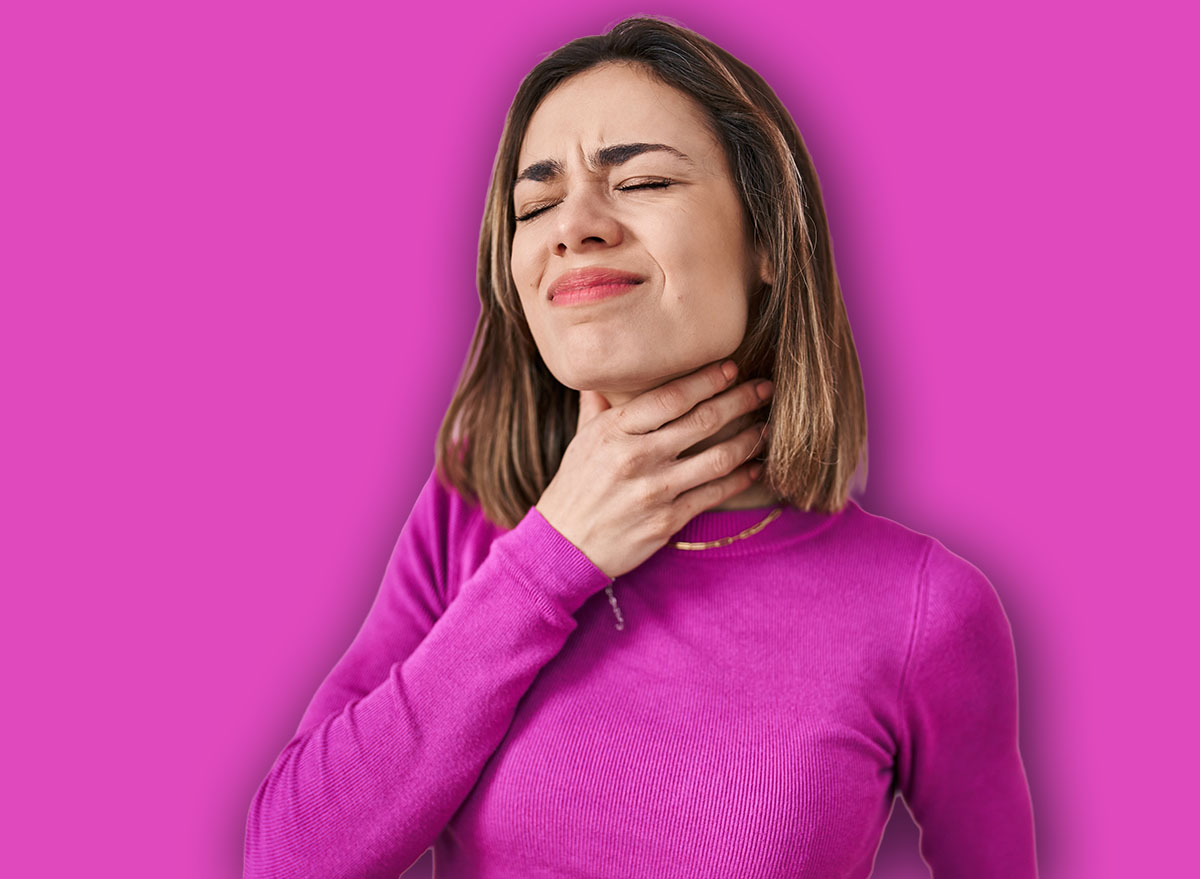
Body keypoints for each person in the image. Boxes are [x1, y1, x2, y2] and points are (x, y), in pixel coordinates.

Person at [243, 15, 1037, 878]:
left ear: (767, 240)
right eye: (536, 202)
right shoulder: (470, 517)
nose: (572, 227)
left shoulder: (926, 607)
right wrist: (551, 556)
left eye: (644, 180)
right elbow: (289, 856)